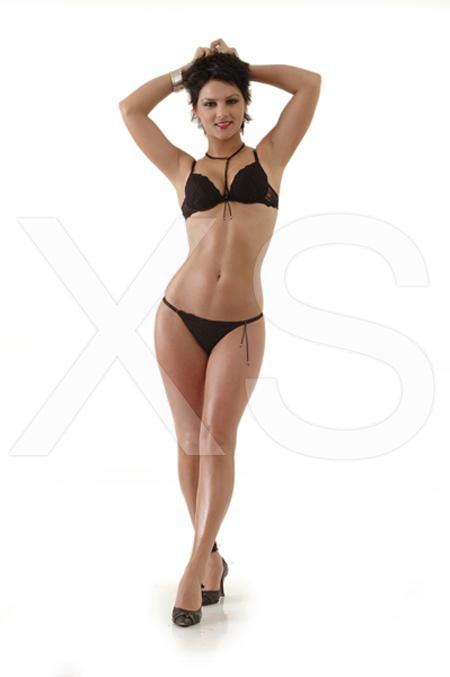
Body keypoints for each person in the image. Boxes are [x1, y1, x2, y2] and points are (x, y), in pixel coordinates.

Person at [119, 38, 321, 627]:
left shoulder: (271, 157)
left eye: (232, 100)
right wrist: (190, 71)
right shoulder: (182, 168)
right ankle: (210, 557)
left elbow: (309, 82)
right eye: (208, 103)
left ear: (246, 105)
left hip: (240, 324)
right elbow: (130, 109)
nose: (221, 112)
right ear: (195, 110)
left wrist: (238, 67)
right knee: (191, 443)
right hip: (177, 317)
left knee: (219, 441)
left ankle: (192, 568)